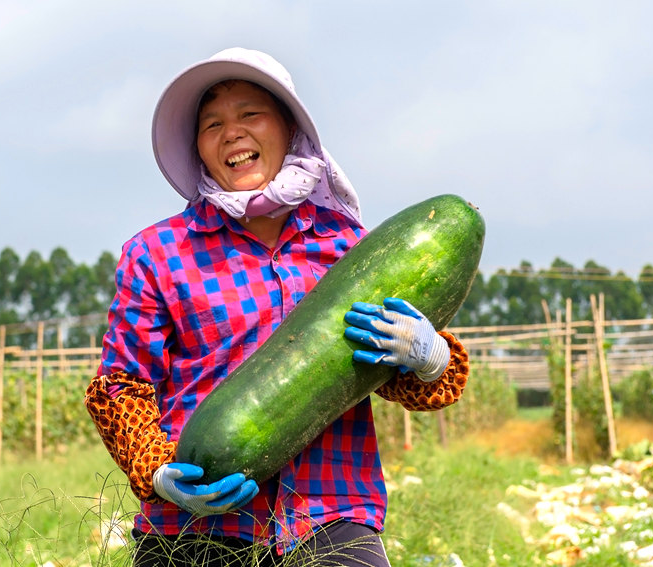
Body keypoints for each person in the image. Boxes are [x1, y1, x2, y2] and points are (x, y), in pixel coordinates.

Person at [85, 47, 471, 567]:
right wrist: (156, 473)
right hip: (195, 522)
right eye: (212, 124)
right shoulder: (157, 254)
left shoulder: (351, 248)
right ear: (199, 149)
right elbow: (120, 385)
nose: (232, 133)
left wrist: (430, 359)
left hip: (331, 518)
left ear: (290, 129)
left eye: (250, 114)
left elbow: (393, 377)